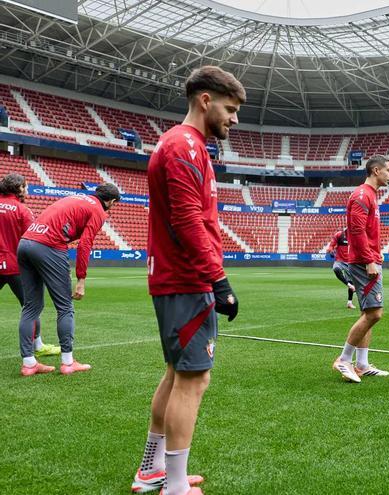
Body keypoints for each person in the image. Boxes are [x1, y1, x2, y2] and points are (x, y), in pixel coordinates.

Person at [130, 66, 243, 495]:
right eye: (230, 110)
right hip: (186, 278)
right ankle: (174, 485)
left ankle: (153, 469)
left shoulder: (189, 145)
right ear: (205, 100)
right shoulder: (183, 146)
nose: (234, 119)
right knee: (193, 379)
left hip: (180, 277)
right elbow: (186, 220)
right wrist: (218, 279)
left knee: (179, 374)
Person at [17, 183, 119, 376]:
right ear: (111, 202)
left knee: (30, 307)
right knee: (65, 307)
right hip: (49, 245)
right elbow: (85, 244)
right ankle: (68, 362)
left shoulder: (75, 198)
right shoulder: (98, 210)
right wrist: (81, 278)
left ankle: (29, 364)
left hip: (25, 242)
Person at [331, 155, 389, 383]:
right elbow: (356, 232)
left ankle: (362, 364)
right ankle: (344, 360)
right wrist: (369, 260)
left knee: (368, 313)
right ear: (375, 171)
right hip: (362, 262)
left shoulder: (370, 195)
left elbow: (366, 231)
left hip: (369, 258)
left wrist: (377, 253)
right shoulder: (361, 195)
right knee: (375, 313)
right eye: (388, 170)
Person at [0, 174, 56, 358]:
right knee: (31, 307)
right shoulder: (22, 210)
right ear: (18, 188)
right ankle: (37, 346)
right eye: (26, 187)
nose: (28, 190)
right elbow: (34, 240)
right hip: (16, 267)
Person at [328, 227, 356, 309]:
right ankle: (349, 285)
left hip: (350, 261)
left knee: (351, 281)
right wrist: (331, 251)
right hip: (339, 260)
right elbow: (331, 245)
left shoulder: (355, 236)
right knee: (336, 269)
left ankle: (349, 303)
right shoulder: (339, 235)